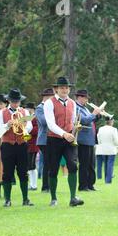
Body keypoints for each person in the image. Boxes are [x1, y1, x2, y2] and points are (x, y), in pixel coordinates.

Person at [44, 76, 84, 207]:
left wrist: (75, 128)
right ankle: (53, 198)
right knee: (53, 169)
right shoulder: (49, 103)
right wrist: (64, 134)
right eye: (62, 87)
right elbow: (50, 124)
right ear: (56, 89)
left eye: (66, 87)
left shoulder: (72, 103)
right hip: (54, 139)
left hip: (68, 140)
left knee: (73, 165)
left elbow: (73, 121)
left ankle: (73, 198)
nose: (64, 90)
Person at [0, 88, 34, 207]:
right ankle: (7, 200)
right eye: (13, 101)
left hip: (22, 144)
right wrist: (8, 125)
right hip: (8, 145)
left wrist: (24, 128)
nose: (15, 103)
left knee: (23, 172)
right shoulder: (2, 113)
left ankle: (25, 199)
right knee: (7, 172)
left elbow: (30, 126)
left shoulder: (25, 112)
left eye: (17, 101)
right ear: (8, 101)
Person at [74, 89, 101, 192]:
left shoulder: (85, 108)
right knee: (84, 164)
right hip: (83, 139)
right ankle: (83, 186)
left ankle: (90, 184)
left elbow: (91, 120)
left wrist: (98, 115)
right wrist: (94, 113)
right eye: (85, 98)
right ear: (79, 98)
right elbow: (84, 120)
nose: (86, 100)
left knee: (91, 164)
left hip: (90, 139)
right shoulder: (76, 108)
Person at [36, 88, 55, 192]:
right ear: (46, 97)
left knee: (52, 163)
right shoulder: (40, 108)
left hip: (52, 138)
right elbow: (43, 122)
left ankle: (50, 185)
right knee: (47, 163)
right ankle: (45, 186)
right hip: (44, 139)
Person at [96, 116, 118, 184]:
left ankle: (104, 178)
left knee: (106, 164)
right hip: (111, 149)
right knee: (110, 164)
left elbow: (99, 140)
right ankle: (108, 180)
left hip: (102, 149)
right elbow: (116, 142)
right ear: (111, 121)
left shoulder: (100, 129)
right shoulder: (114, 129)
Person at [25, 102, 39, 191]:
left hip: (33, 144)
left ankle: (34, 185)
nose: (27, 110)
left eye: (28, 108)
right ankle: (32, 184)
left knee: (32, 164)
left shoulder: (35, 117)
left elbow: (37, 129)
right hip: (27, 144)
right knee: (29, 165)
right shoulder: (27, 117)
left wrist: (27, 131)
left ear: (32, 109)